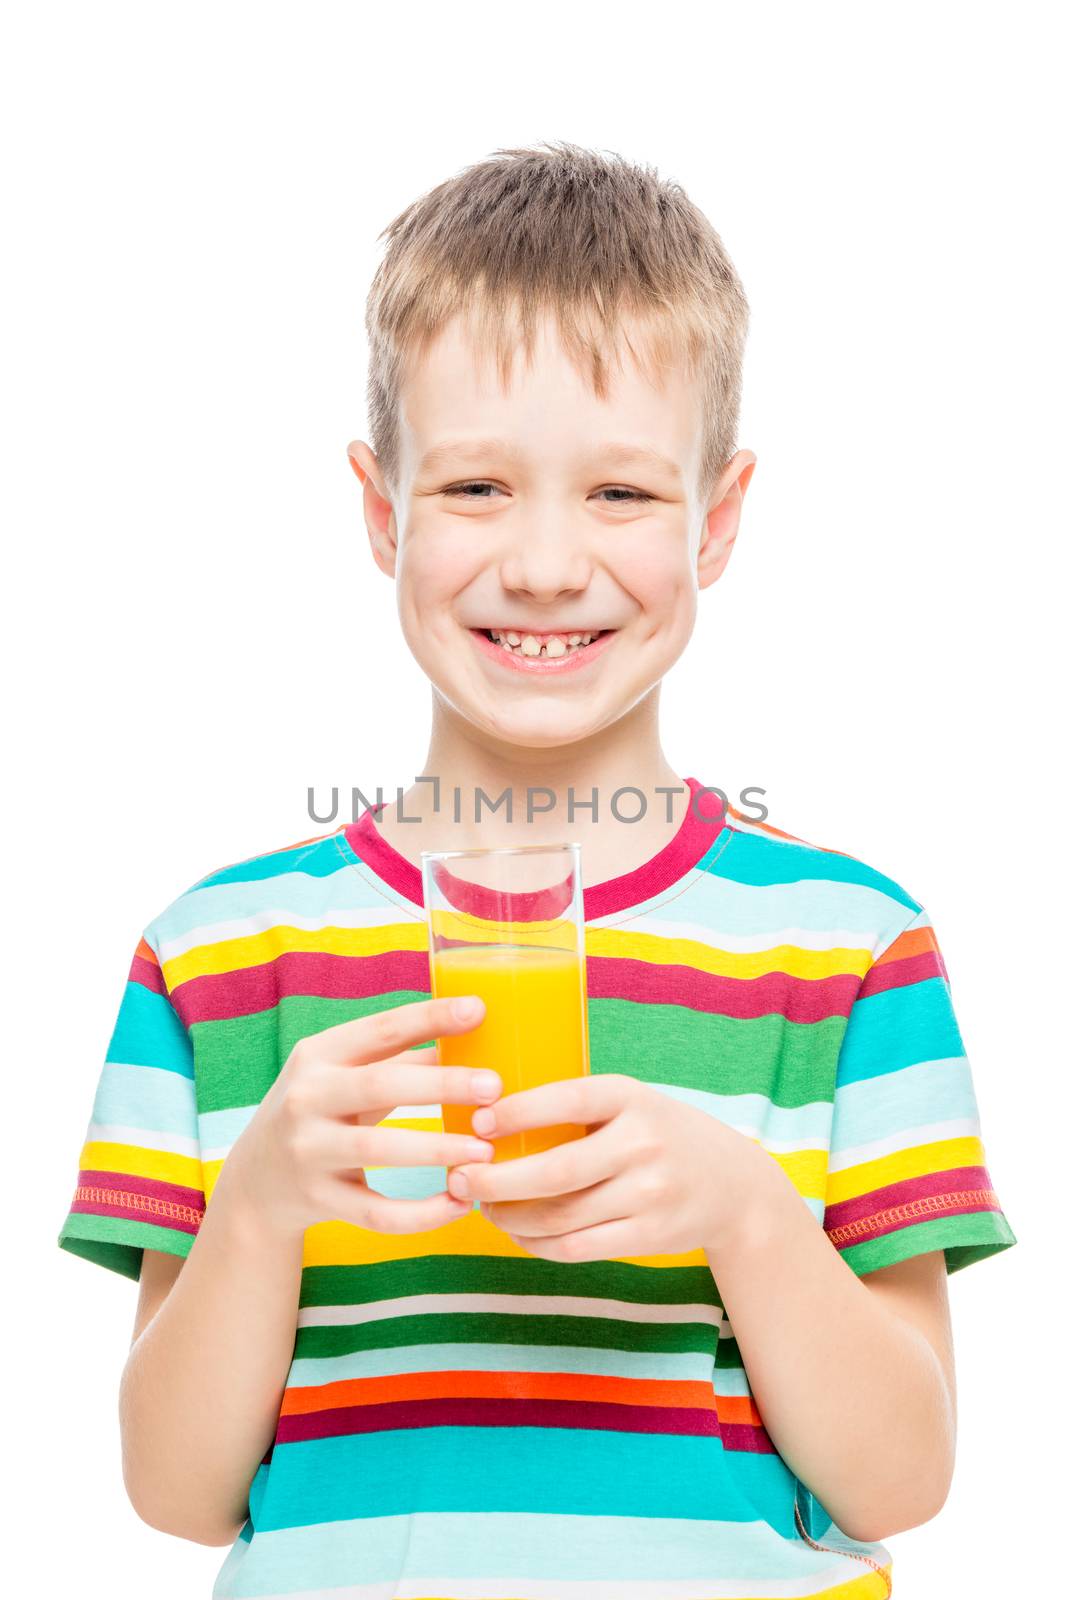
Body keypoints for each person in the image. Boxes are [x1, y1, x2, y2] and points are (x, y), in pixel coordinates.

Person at [58, 140, 1016, 1600]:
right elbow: (178, 1497)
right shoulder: (218, 954)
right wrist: (255, 1206)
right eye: (478, 488)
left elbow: (904, 1479)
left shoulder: (846, 946)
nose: (550, 564)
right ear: (383, 513)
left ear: (720, 517)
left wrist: (749, 1216)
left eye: (623, 495)